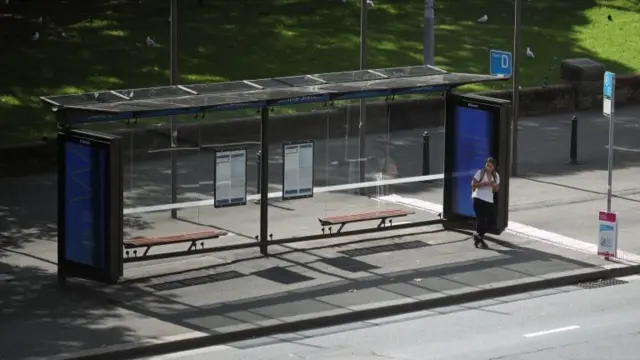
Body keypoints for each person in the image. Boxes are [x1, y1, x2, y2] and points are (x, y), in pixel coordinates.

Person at [470, 157, 500, 248]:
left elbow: (496, 189)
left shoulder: (496, 176)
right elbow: (473, 184)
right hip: (478, 198)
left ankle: (478, 237)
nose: (488, 167)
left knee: (491, 221)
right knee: (481, 220)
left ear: (494, 167)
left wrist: (494, 186)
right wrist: (484, 184)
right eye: (487, 165)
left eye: (490, 165)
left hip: (489, 200)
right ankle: (479, 240)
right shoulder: (480, 173)